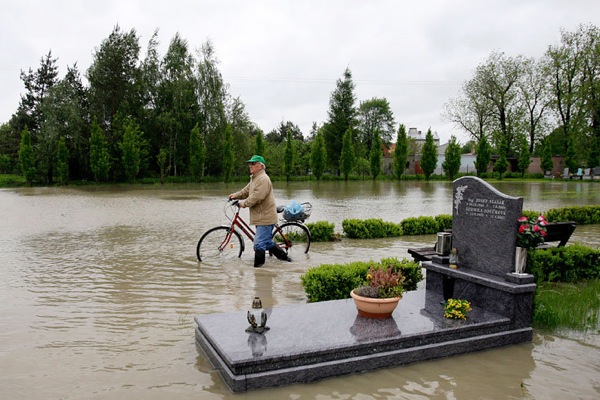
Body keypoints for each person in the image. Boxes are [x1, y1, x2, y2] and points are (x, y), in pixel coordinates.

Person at [229, 155, 291, 267]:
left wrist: (242, 203)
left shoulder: (263, 179)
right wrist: (235, 196)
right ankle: (286, 260)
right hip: (260, 216)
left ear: (261, 166)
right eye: (250, 163)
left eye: (253, 163)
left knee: (258, 244)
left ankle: (259, 271)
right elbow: (246, 191)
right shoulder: (255, 178)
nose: (250, 165)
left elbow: (257, 197)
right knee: (267, 242)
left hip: (265, 218)